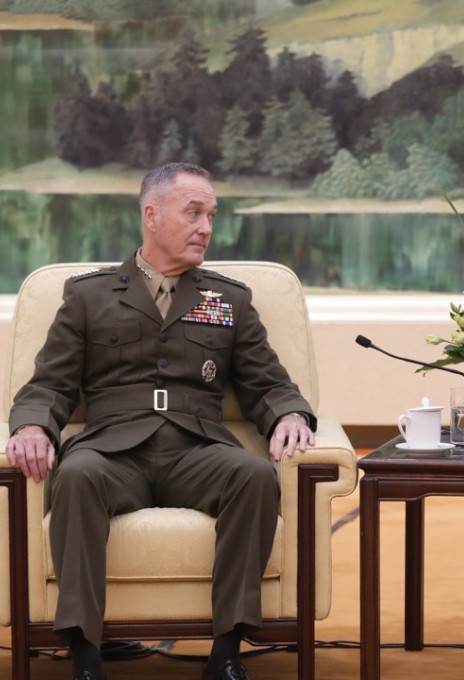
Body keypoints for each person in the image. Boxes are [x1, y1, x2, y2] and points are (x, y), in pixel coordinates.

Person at [4, 162, 317, 680]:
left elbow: (267, 382)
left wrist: (289, 413)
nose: (206, 227)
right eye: (193, 212)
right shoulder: (89, 296)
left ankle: (226, 651)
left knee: (255, 474)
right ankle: (85, 653)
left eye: (211, 215)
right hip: (112, 453)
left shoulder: (228, 299)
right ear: (152, 215)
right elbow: (50, 384)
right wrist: (32, 425)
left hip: (197, 451)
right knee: (77, 476)